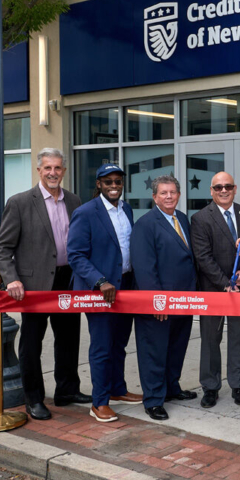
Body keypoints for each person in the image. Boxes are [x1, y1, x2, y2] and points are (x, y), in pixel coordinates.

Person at [0, 148, 89, 421]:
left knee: (69, 338)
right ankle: (33, 398)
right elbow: (2, 247)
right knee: (32, 343)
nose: (53, 173)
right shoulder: (21, 202)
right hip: (33, 285)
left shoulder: (74, 201)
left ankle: (67, 390)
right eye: (48, 168)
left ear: (64, 171)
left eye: (58, 168)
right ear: (39, 170)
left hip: (68, 280)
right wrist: (11, 278)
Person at [67, 164, 143, 423]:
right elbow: (75, 255)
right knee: (101, 346)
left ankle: (117, 389)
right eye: (108, 181)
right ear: (98, 184)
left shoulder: (127, 209)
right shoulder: (85, 212)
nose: (114, 186)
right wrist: (100, 281)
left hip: (126, 286)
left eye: (118, 182)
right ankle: (99, 401)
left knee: (119, 343)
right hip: (100, 291)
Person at [190, 171, 240, 408]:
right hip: (213, 289)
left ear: (235, 188)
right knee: (210, 339)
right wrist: (225, 283)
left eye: (227, 186)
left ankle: (239, 385)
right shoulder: (200, 218)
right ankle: (210, 387)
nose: (223, 191)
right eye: (218, 187)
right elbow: (203, 257)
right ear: (211, 191)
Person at [130, 175, 197, 421]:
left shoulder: (182, 219)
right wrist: (156, 301)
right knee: (154, 351)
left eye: (173, 192)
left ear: (179, 195)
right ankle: (154, 399)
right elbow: (144, 267)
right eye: (163, 193)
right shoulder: (145, 224)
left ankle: (171, 387)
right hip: (159, 302)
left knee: (176, 348)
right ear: (154, 197)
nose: (169, 196)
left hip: (184, 299)